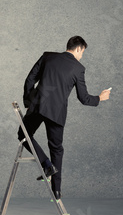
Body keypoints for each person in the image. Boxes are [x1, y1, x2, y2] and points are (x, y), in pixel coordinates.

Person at [18, 36, 111, 200]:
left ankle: (46, 164)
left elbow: (30, 79)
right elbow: (84, 98)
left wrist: (28, 101)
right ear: (79, 49)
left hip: (38, 106)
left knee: (23, 135)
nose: (82, 56)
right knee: (56, 149)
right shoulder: (78, 68)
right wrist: (100, 98)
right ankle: (57, 191)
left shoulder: (48, 57)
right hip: (57, 113)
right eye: (83, 52)